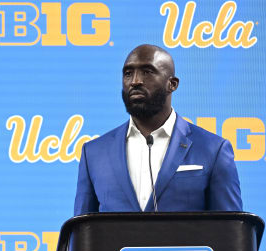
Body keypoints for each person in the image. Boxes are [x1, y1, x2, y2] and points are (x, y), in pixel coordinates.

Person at [74, 44, 242, 215]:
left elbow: (231, 233)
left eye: (147, 72)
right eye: (128, 73)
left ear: (172, 84)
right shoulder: (93, 153)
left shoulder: (214, 150)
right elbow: (81, 234)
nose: (135, 81)